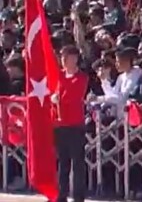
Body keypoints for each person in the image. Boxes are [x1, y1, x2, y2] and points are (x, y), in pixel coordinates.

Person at [54, 45, 89, 202]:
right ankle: (61, 195)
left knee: (77, 164)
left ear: (74, 59)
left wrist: (58, 98)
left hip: (75, 125)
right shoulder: (59, 76)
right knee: (63, 164)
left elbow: (73, 97)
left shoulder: (81, 78)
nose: (63, 60)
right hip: (60, 125)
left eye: (66, 57)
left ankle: (78, 197)